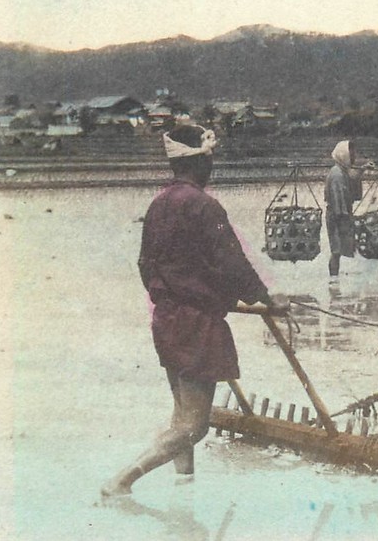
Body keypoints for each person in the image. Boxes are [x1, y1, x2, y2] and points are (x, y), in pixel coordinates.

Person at [101, 123, 288, 497]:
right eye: (210, 157)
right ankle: (122, 481)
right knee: (194, 426)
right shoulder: (204, 205)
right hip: (195, 323)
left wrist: (174, 295)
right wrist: (267, 298)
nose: (212, 164)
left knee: (180, 413)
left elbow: (145, 265)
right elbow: (233, 262)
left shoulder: (159, 204)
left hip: (167, 318)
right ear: (200, 160)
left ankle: (184, 485)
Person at [324, 139, 373, 277]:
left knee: (338, 251)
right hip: (336, 216)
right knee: (336, 251)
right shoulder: (337, 175)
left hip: (340, 214)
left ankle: (334, 280)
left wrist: (363, 168)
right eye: (351, 156)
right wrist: (344, 218)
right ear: (343, 155)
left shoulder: (342, 171)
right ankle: (333, 277)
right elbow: (337, 199)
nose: (353, 158)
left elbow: (352, 178)